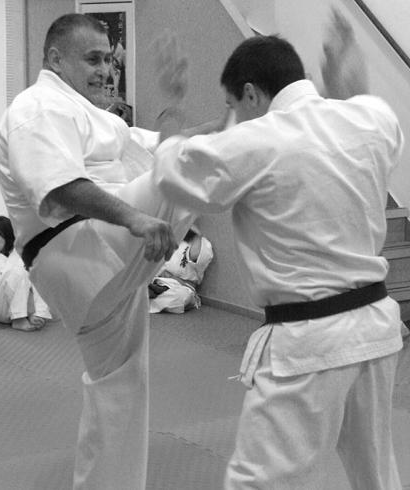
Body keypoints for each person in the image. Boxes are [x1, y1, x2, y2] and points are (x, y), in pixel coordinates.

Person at [153, 12, 404, 489]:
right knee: (376, 477)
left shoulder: (258, 139)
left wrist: (172, 108)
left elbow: (171, 175)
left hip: (309, 343)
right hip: (375, 330)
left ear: (251, 93)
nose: (235, 118)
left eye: (234, 106)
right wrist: (345, 80)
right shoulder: (372, 118)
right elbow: (354, 119)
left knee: (260, 482)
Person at [0, 13, 211, 490]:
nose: (105, 71)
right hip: (80, 245)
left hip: (96, 267)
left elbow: (166, 147)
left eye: (108, 61)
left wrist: (218, 113)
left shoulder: (98, 118)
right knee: (189, 166)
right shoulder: (38, 106)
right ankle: (277, 141)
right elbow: (59, 187)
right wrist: (135, 219)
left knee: (119, 385)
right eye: (92, 59)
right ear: (55, 58)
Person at [148, 227, 213, 314]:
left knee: (181, 296)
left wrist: (194, 235)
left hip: (181, 286)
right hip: (157, 281)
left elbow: (195, 254)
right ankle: (148, 294)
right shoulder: (165, 238)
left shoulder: (202, 243)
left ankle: (145, 301)